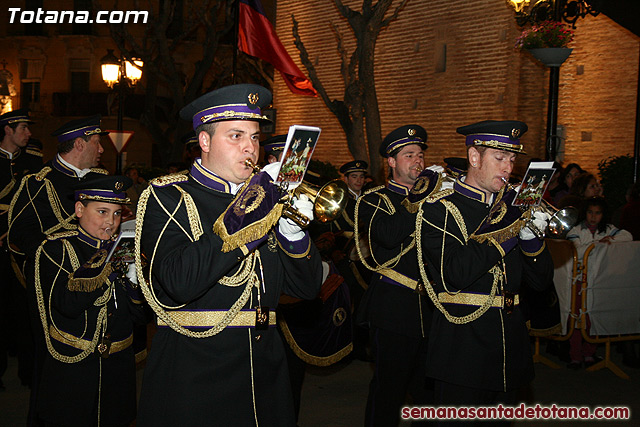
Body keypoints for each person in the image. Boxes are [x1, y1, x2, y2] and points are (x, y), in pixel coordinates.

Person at [135, 83, 323, 426]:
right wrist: (249, 213)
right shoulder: (169, 197)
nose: (250, 148)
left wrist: (292, 234)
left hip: (265, 365)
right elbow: (179, 281)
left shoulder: (267, 201)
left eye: (254, 137)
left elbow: (306, 290)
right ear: (204, 142)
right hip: (197, 370)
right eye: (235, 136)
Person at [412, 120, 554, 417]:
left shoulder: (513, 208)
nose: (508, 168)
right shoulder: (441, 208)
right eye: (499, 159)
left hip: (510, 346)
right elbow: (454, 274)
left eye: (512, 160)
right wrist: (507, 230)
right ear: (474, 158)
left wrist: (528, 239)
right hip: (462, 348)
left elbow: (540, 284)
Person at [7, 114, 109, 424]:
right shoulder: (40, 182)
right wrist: (59, 246)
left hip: (99, 278)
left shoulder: (102, 178)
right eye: (96, 142)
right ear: (80, 144)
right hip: (54, 282)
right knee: (54, 362)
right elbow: (18, 233)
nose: (102, 149)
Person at [33, 174, 146, 426]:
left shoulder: (124, 248)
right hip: (74, 366)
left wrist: (135, 280)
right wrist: (105, 265)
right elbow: (66, 306)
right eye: (103, 212)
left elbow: (139, 317)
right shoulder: (56, 249)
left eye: (117, 214)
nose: (111, 222)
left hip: (118, 364)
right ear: (79, 209)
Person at [355, 125, 434, 427]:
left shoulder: (433, 201)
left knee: (428, 391)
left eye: (421, 154)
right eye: (409, 155)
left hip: (429, 307)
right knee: (389, 390)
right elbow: (389, 236)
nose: (418, 161)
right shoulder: (375, 200)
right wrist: (418, 197)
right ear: (391, 162)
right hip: (393, 308)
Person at [565, 196, 632, 369]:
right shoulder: (576, 229)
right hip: (579, 282)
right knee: (576, 319)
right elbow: (576, 251)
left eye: (598, 213)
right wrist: (597, 245)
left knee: (593, 318)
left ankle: (589, 353)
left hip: (599, 282)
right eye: (590, 212)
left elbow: (628, 236)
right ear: (584, 213)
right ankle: (575, 356)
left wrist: (610, 240)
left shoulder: (609, 229)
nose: (593, 217)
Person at [0, 108, 41, 390]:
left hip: (21, 246)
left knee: (26, 310)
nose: (28, 133)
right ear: (8, 130)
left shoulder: (34, 160)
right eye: (23, 128)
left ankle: (29, 372)